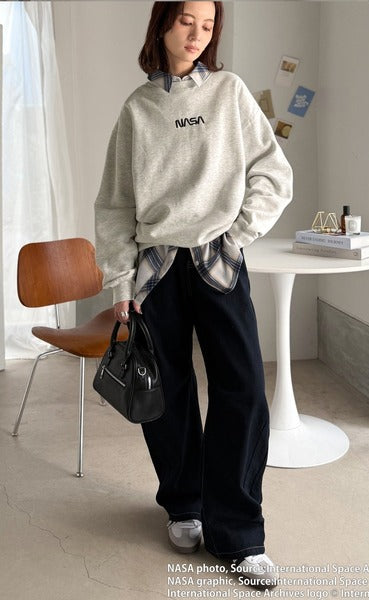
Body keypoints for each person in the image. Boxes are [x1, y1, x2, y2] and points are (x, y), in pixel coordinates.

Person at [94, 0, 293, 588]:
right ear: (162, 23)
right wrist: (121, 281)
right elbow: (115, 205)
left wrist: (239, 234)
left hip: (218, 260)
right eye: (187, 22)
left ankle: (239, 532)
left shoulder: (229, 93)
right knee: (168, 392)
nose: (197, 35)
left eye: (208, 26)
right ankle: (184, 502)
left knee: (243, 388)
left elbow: (273, 172)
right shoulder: (138, 110)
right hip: (156, 269)